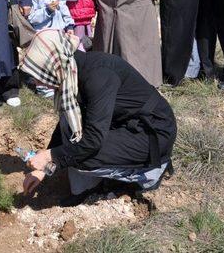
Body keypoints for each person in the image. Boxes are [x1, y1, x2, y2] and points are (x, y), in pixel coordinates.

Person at [19, 30, 176, 204]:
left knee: (82, 158)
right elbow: (67, 121)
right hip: (123, 124)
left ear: (53, 66)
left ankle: (149, 173)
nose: (37, 82)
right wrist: (44, 168)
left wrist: (51, 156)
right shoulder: (73, 70)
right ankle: (88, 186)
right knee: (71, 139)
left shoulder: (98, 76)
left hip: (152, 132)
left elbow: (93, 141)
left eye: (39, 75)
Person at [28, 0, 75, 97]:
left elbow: (64, 8)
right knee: (43, 61)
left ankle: (58, 84)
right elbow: (31, 17)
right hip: (41, 34)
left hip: (58, 32)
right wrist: (47, 10)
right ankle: (43, 88)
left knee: (58, 60)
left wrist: (70, 25)